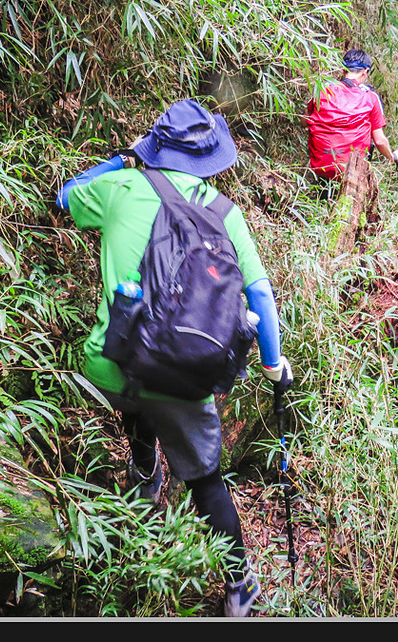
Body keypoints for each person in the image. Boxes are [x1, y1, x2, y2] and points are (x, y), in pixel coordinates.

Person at [55, 99, 293, 617]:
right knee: (206, 480)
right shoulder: (225, 213)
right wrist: (274, 365)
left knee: (136, 388)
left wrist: (122, 160)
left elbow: (64, 196)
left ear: (158, 147)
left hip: (111, 368)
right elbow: (260, 295)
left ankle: (145, 477)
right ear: (207, 159)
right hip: (187, 375)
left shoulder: (119, 191)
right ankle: (240, 586)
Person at [305, 48, 398, 185]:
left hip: (321, 166)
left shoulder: (322, 90)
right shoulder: (370, 97)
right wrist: (392, 156)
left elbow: (305, 121)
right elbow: (380, 141)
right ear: (365, 71)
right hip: (352, 171)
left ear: (342, 71)